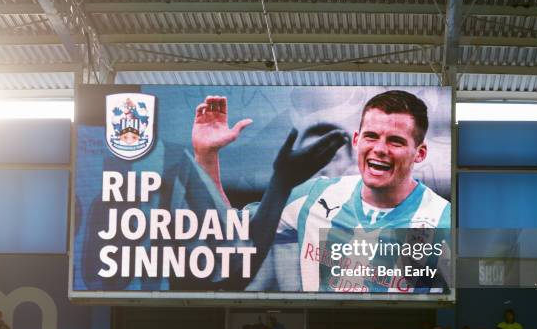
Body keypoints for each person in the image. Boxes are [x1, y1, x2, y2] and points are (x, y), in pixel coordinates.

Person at [191, 91, 451, 293]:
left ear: (420, 153)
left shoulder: (443, 219)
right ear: (357, 139)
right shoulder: (313, 196)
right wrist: (206, 155)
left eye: (395, 140)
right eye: (372, 136)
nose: (380, 149)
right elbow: (229, 232)